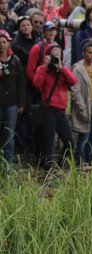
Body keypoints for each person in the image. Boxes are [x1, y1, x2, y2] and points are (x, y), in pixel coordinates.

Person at [0, 28, 23, 165]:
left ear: (8, 43)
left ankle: (8, 165)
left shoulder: (15, 60)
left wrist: (21, 103)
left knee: (9, 134)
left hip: (12, 103)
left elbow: (21, 83)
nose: (2, 45)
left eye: (4, 42)